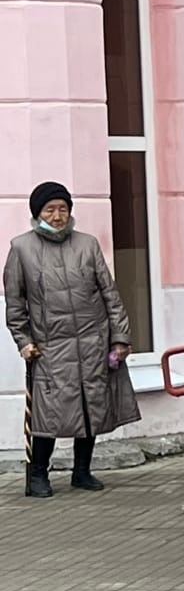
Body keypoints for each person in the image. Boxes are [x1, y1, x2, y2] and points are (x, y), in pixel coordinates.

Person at [6, 181, 140, 497]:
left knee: (90, 405)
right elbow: (15, 303)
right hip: (50, 345)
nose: (57, 216)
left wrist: (119, 336)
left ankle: (83, 471)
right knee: (49, 412)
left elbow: (110, 293)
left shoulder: (87, 244)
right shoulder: (21, 248)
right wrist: (23, 340)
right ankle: (38, 475)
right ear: (37, 213)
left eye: (63, 209)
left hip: (93, 340)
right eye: (50, 210)